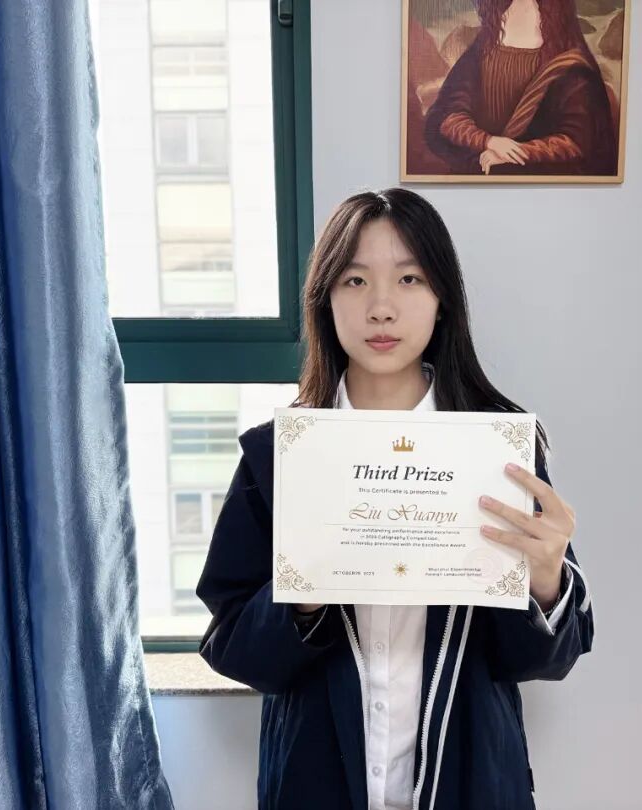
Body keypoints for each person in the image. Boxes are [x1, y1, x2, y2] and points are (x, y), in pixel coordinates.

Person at [196, 187, 594, 810]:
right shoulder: (278, 457)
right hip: (313, 787)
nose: (381, 308)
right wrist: (301, 598)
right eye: (355, 281)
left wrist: (546, 583)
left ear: (442, 299)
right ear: (325, 299)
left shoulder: (499, 451)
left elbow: (542, 661)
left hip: (471, 786)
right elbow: (233, 648)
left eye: (409, 279)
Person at [424, 0, 618, 176]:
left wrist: (517, 152)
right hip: (479, 170)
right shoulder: (486, 41)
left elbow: (577, 141)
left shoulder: (568, 60)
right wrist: (488, 141)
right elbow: (448, 115)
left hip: (540, 180)